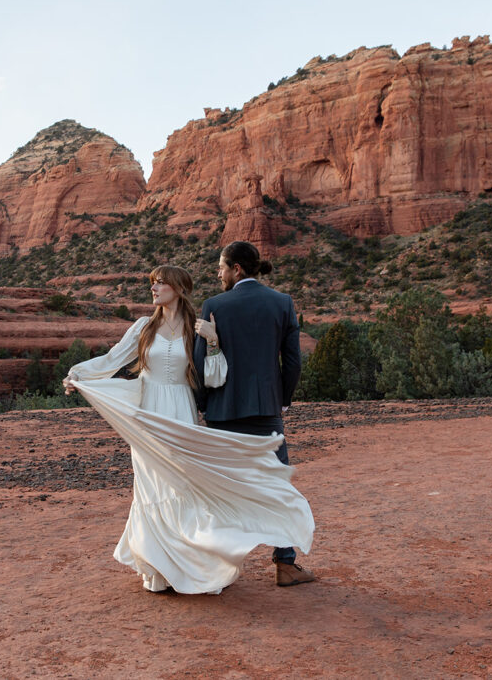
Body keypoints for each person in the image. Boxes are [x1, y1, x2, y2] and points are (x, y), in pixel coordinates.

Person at [64, 265, 314, 594]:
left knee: (182, 487)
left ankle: (191, 567)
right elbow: (113, 359)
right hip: (149, 414)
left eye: (160, 283)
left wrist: (211, 343)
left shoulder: (195, 329)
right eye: (153, 284)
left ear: (178, 288)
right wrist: (78, 375)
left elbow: (213, 376)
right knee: (152, 488)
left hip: (180, 411)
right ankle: (159, 569)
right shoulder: (143, 327)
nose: (154, 289)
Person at [192, 240, 316, 587]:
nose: (218, 274)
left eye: (221, 268)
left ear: (237, 269)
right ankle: (285, 563)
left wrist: (203, 403)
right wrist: (283, 399)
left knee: (222, 490)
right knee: (275, 486)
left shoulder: (214, 305)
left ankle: (214, 567)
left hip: (222, 412)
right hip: (265, 412)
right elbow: (292, 361)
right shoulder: (281, 303)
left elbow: (202, 361)